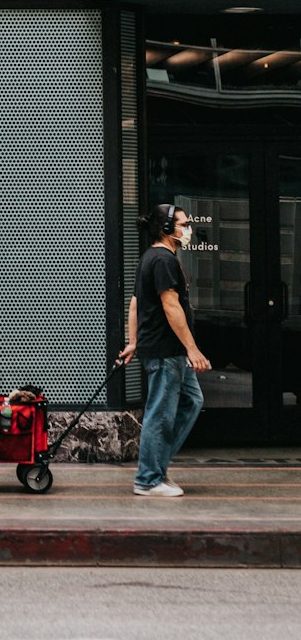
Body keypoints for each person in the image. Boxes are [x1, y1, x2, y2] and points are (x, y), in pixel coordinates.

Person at [119, 203, 210, 498]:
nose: (188, 230)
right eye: (183, 224)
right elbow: (171, 308)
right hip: (165, 351)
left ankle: (156, 465)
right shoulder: (162, 261)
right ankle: (148, 479)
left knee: (192, 401)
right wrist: (192, 349)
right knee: (160, 414)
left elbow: (135, 304)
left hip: (165, 351)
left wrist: (133, 342)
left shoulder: (151, 258)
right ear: (167, 229)